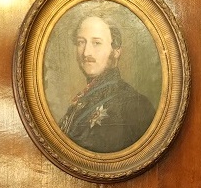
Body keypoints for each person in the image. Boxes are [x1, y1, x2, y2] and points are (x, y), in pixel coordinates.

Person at [58, 13, 155, 153]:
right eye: (81, 42)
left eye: (96, 43)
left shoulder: (136, 105)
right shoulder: (82, 101)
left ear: (116, 51)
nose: (86, 52)